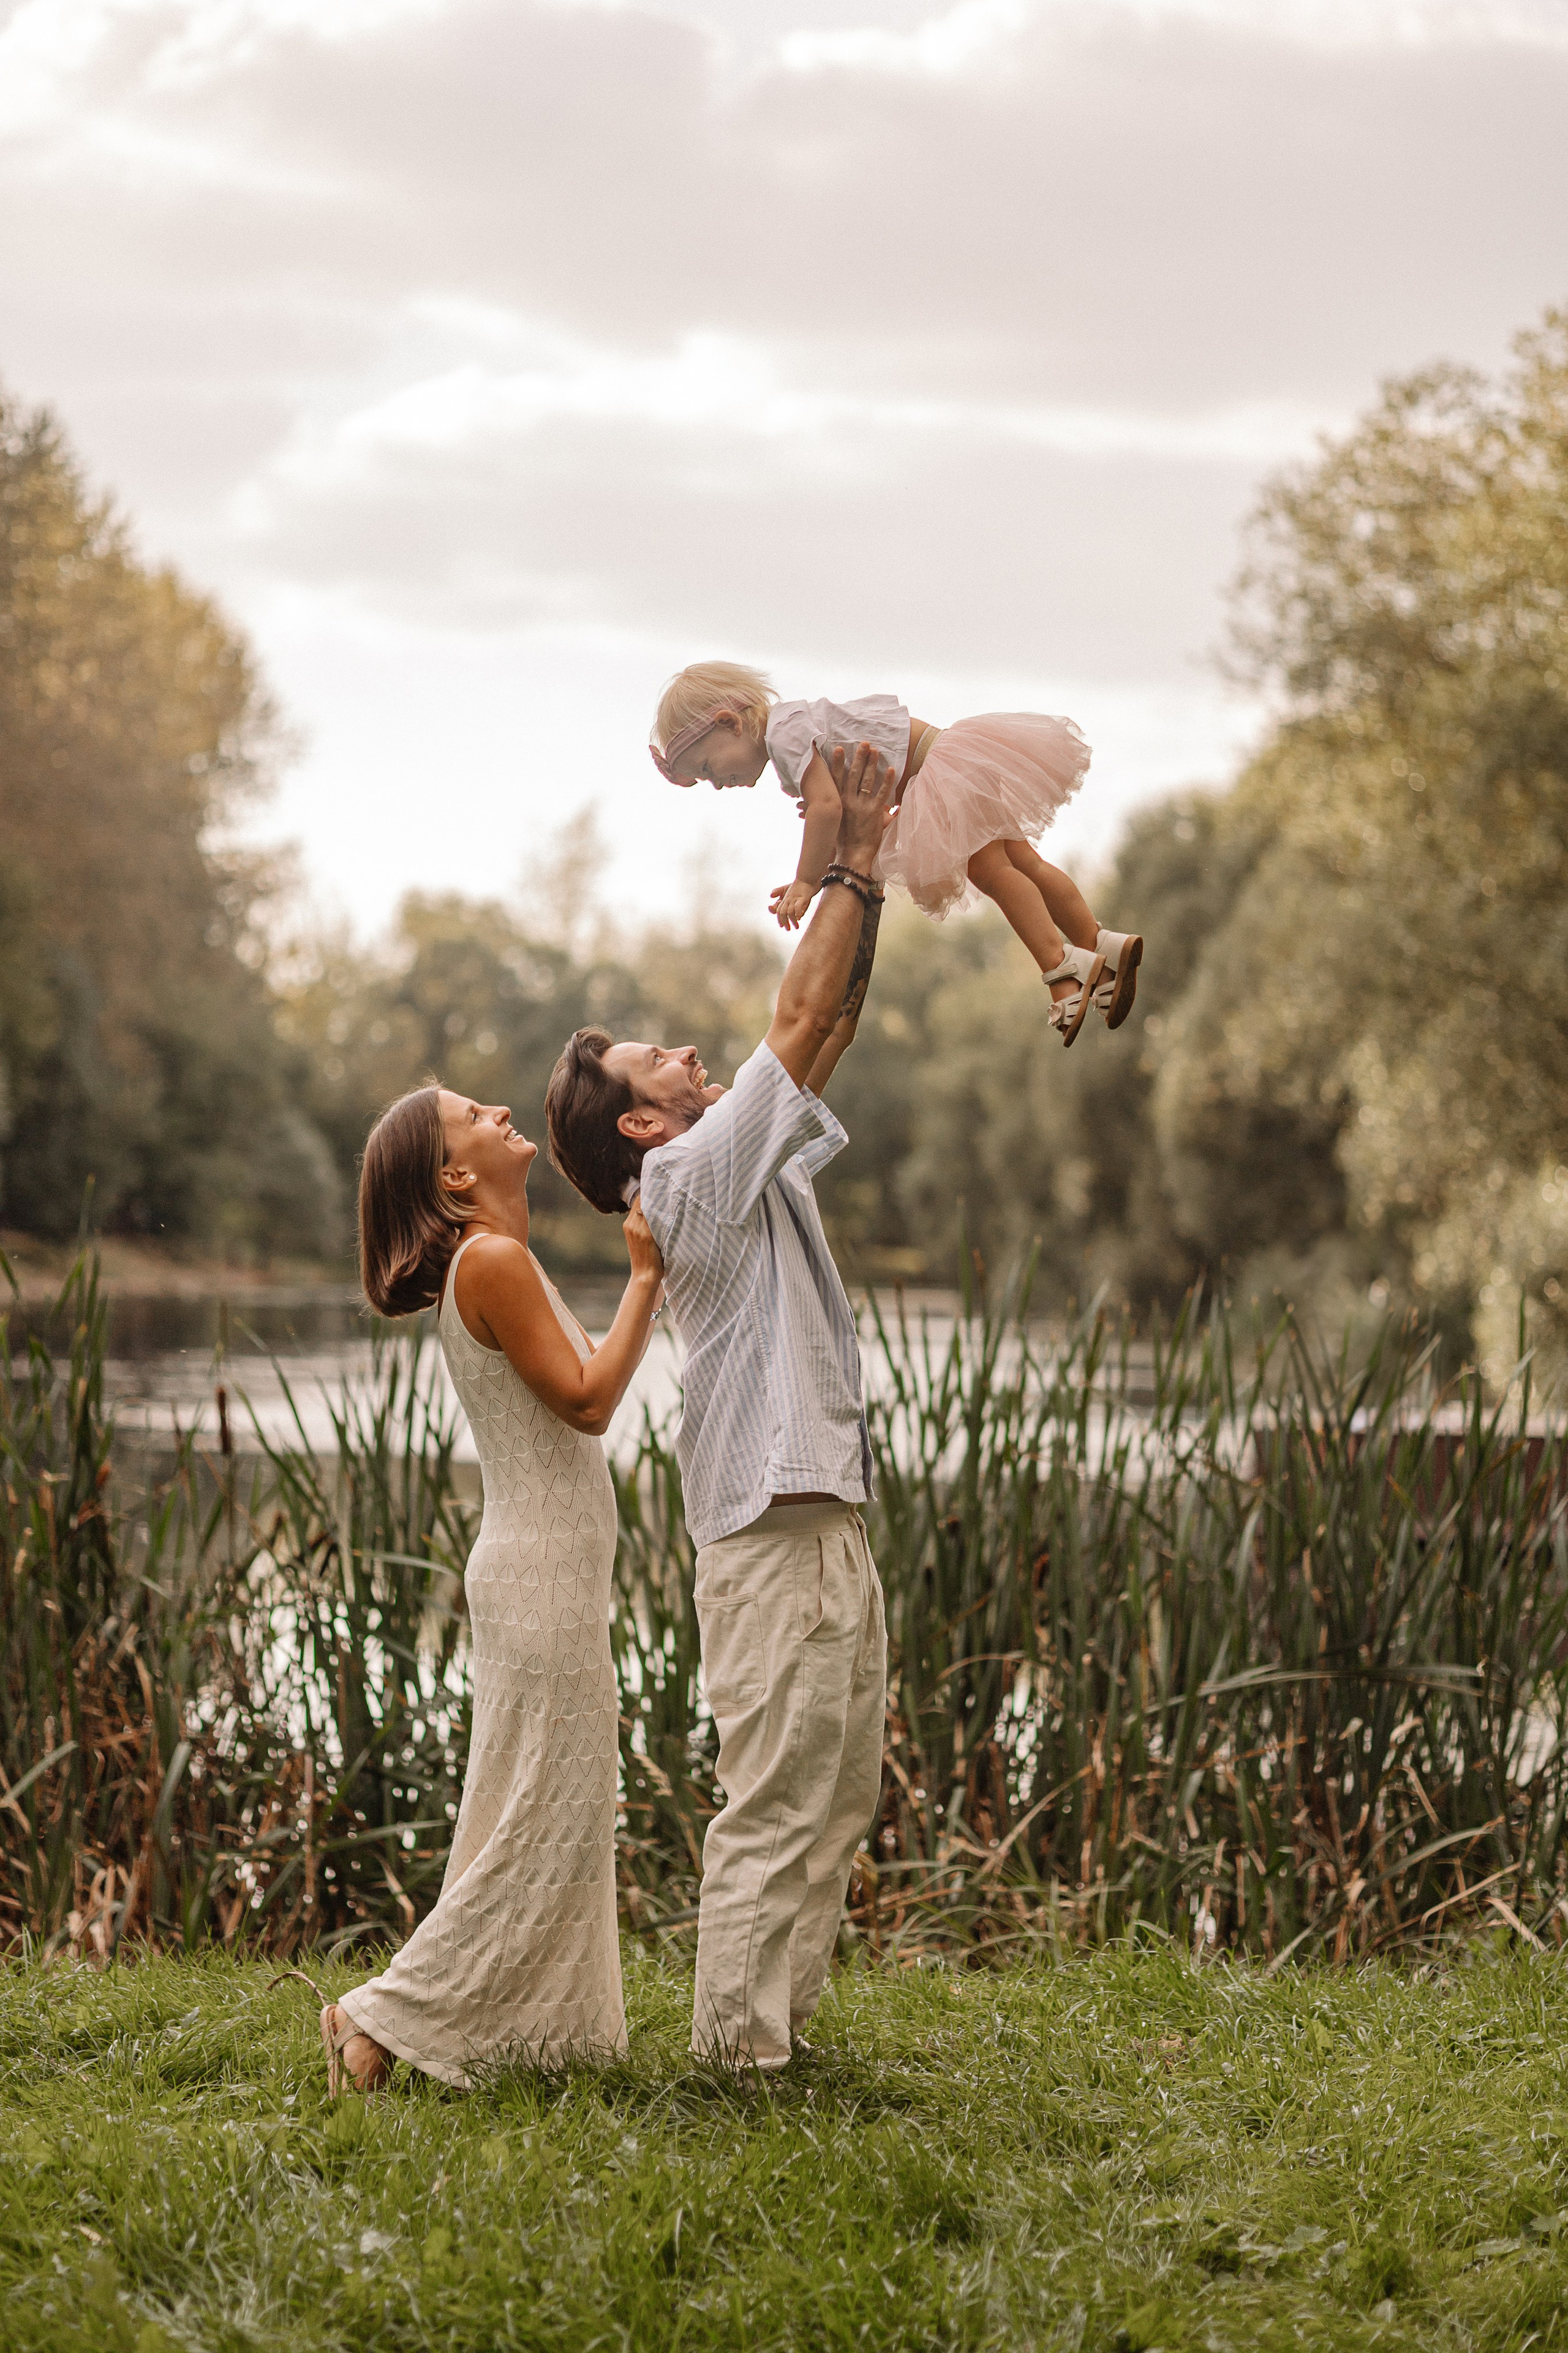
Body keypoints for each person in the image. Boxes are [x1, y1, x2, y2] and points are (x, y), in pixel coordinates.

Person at [545, 740, 895, 2072]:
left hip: (817, 1511)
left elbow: (831, 1027)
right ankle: (735, 2061)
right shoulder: (682, 1183)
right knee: (773, 1802)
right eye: (657, 1059)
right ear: (640, 1127)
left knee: (838, 1793)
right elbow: (795, 1031)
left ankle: (777, 2041)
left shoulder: (723, 1156)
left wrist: (868, 878)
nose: (688, 1052)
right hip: (769, 1533)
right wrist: (848, 862)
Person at [306, 1083, 663, 2093]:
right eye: (476, 1116)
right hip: (539, 1579)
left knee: (537, 1810)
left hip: (540, 1574)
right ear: (455, 1175)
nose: (504, 1112)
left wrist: (644, 1285)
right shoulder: (494, 1261)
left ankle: (530, 2039)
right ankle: (374, 2018)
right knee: (543, 1815)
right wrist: (646, 1273)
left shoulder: (499, 1260)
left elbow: (577, 1384)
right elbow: (593, 1403)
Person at [649, 657, 1143, 1048]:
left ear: (729, 723)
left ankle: (1061, 970)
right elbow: (843, 815)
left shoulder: (783, 734)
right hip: (951, 760)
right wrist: (818, 874)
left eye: (709, 767)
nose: (717, 784)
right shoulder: (792, 729)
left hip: (939, 777)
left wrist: (805, 881)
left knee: (995, 872)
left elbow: (825, 809)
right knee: (1024, 863)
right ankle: (1100, 942)